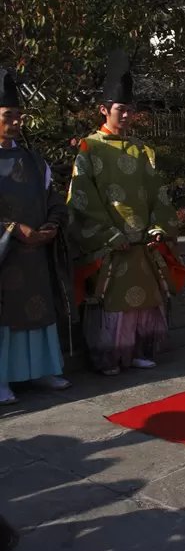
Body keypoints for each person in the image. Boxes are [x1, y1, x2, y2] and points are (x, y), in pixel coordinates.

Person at [67, 51, 183, 376]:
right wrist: (108, 233)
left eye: (130, 110)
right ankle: (110, 357)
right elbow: (82, 196)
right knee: (114, 303)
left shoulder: (141, 150)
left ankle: (136, 352)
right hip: (113, 241)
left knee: (144, 300)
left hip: (142, 239)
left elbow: (157, 193)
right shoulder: (89, 148)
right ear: (104, 110)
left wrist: (159, 225)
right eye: (120, 110)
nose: (127, 116)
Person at [0, 68, 71, 405]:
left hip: (35, 255)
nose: (15, 123)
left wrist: (53, 224)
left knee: (39, 309)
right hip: (6, 256)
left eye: (17, 116)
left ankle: (42, 369)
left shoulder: (32, 159)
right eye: (7, 116)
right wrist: (13, 229)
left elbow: (53, 197)